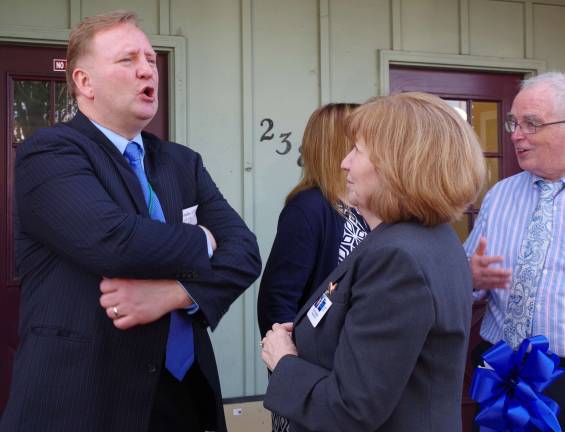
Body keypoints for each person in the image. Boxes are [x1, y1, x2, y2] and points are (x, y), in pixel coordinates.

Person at [0, 11, 261, 432]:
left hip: (183, 395)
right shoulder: (50, 154)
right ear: (84, 82)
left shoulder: (181, 163)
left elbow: (246, 253)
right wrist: (204, 241)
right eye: (127, 60)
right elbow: (113, 240)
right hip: (83, 399)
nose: (146, 69)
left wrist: (176, 294)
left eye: (150, 60)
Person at [260, 92, 486, 432]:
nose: (344, 162)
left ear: (397, 164)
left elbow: (351, 409)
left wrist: (284, 360)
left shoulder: (398, 257)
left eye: (358, 150)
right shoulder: (430, 238)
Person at [257, 103, 368, 432]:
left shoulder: (366, 207)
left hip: (354, 374)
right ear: (340, 145)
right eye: (361, 142)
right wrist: (290, 368)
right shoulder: (308, 208)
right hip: (314, 380)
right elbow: (277, 299)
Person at [464, 71, 565, 426]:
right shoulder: (501, 194)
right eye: (514, 123)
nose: (517, 136)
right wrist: (471, 276)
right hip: (500, 367)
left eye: (532, 124)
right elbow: (470, 270)